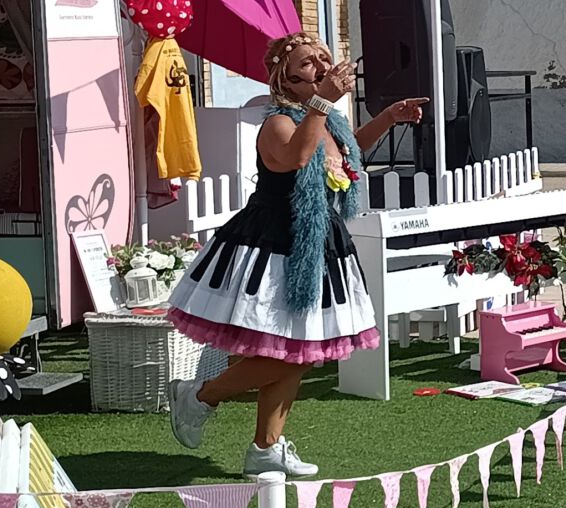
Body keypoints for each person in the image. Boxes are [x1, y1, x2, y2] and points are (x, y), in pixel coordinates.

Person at [169, 34, 426, 474]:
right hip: (273, 246)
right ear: (283, 78)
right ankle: (199, 396)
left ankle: (265, 448)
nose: (321, 67)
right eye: (308, 63)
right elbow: (296, 155)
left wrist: (386, 117)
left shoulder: (325, 120)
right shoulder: (279, 123)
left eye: (324, 59)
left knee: (301, 351)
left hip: (319, 243)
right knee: (281, 350)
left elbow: (347, 153)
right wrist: (323, 103)